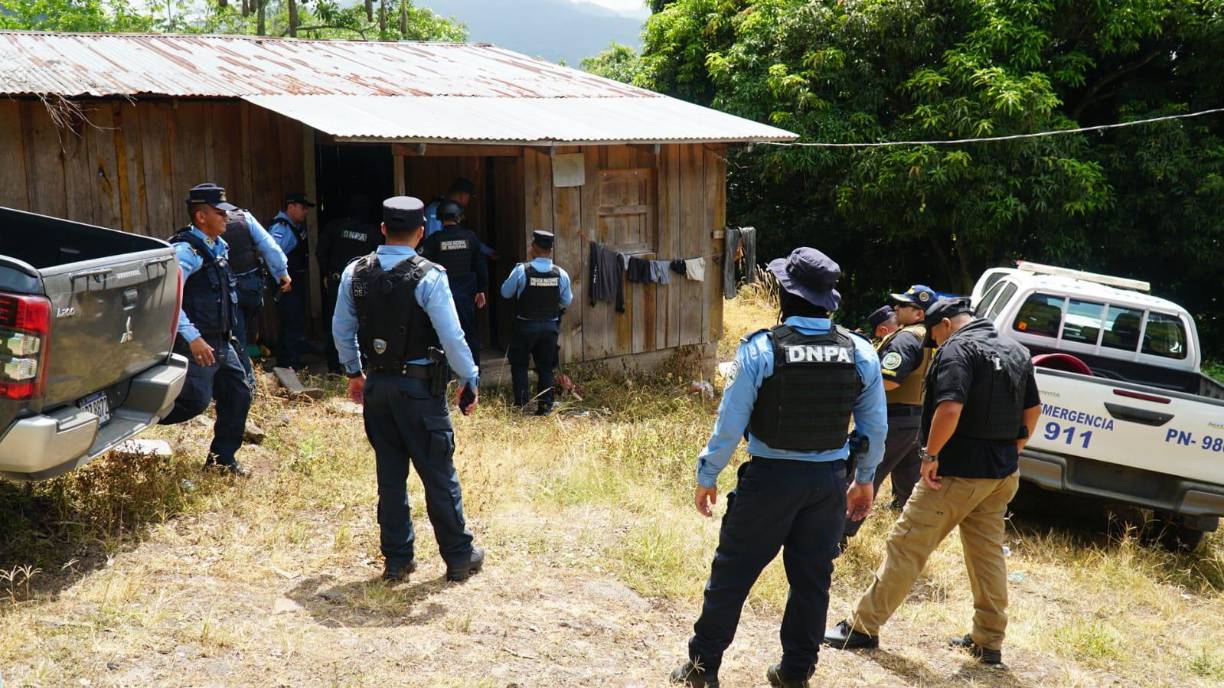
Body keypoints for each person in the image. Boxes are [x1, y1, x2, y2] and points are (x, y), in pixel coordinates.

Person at [670, 248, 887, 688]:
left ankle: (702, 669)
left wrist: (707, 476)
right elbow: (875, 428)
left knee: (732, 575)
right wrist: (864, 481)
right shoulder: (860, 352)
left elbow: (730, 425)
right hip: (828, 485)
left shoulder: (761, 350)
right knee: (812, 584)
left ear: (786, 295)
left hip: (769, 482)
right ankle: (795, 673)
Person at [825, 298, 1042, 668]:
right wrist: (1013, 450)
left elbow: (950, 408)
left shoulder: (957, 348)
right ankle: (988, 641)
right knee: (987, 555)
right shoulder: (1016, 350)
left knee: (906, 544)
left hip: (954, 473)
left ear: (943, 325)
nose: (934, 344)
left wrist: (931, 455)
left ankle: (863, 626)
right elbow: (1033, 410)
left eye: (934, 336)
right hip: (1001, 474)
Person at [332, 195, 485, 583]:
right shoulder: (430, 276)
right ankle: (459, 557)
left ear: (383, 229)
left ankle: (398, 561)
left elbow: (341, 329)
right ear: (421, 232)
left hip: (378, 387)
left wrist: (354, 373)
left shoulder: (355, 273)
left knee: (390, 477)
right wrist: (469, 378)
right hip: (419, 392)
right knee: (438, 475)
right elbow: (452, 336)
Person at [158, 183, 254, 477]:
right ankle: (134, 419)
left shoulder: (218, 247)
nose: (226, 218)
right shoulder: (185, 252)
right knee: (194, 401)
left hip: (222, 343)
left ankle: (222, 461)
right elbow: (169, 297)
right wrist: (193, 337)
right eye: (219, 213)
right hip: (197, 345)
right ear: (201, 217)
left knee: (239, 394)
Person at [844, 285, 937, 541]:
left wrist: (856, 390)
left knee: (861, 476)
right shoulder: (931, 336)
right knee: (910, 488)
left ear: (918, 313)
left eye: (902, 305)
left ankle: (837, 537)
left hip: (893, 419)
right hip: (917, 420)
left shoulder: (906, 338)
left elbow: (889, 380)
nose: (896, 308)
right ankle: (911, 539)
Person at [499, 230, 573, 416]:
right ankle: (545, 406)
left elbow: (505, 293)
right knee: (545, 367)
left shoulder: (522, 270)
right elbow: (566, 301)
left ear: (533, 247)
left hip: (525, 326)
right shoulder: (561, 274)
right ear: (551, 249)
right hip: (549, 327)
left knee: (519, 365)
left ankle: (522, 405)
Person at [224, 207, 292, 384]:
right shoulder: (244, 217)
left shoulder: (204, 221)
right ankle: (248, 378)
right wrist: (282, 273)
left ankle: (247, 384)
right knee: (246, 332)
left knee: (236, 338)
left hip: (230, 289)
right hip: (252, 289)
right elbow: (269, 247)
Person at [318, 193, 383, 374]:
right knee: (363, 322)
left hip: (336, 280)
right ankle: (360, 365)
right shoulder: (373, 233)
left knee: (337, 322)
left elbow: (320, 251)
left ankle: (334, 367)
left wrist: (327, 272)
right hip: (363, 284)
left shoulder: (334, 227)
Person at [419, 199, 489, 364]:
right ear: (459, 217)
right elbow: (480, 266)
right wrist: (481, 289)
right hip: (466, 298)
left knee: (440, 336)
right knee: (469, 335)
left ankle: (444, 377)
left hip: (441, 298)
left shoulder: (434, 240)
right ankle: (474, 375)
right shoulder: (470, 237)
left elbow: (420, 264)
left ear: (440, 218)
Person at [268, 192, 315, 370]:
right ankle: (289, 365)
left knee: (294, 321)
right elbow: (272, 255)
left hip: (293, 283)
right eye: (303, 208)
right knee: (290, 322)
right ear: (291, 206)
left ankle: (290, 361)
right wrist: (281, 279)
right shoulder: (281, 228)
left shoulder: (292, 226)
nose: (305, 212)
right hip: (286, 285)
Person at [424, 178, 497, 258]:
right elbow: (432, 241)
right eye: (469, 197)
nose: (469, 201)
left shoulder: (457, 211)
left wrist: (488, 251)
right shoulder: (435, 209)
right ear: (463, 196)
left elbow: (466, 238)